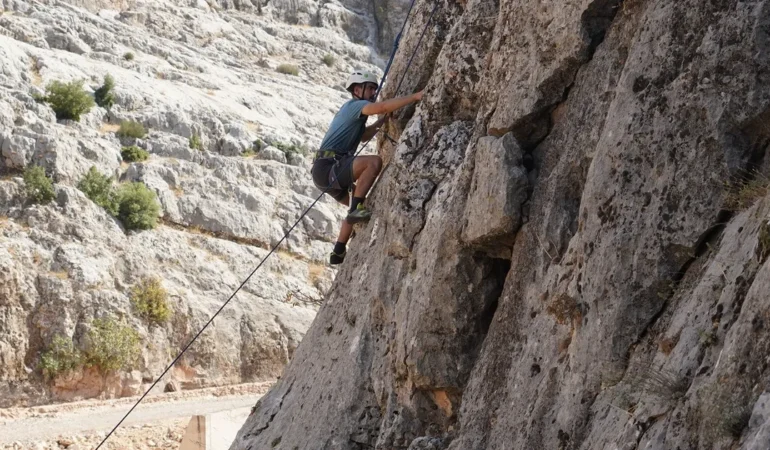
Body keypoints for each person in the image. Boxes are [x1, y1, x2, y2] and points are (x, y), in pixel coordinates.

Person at [312, 70, 423, 265]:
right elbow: (380, 107)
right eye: (370, 88)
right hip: (329, 166)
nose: (373, 92)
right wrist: (415, 97)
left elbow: (363, 136)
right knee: (374, 162)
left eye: (374, 88)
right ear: (357, 89)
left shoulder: (353, 113)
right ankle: (356, 209)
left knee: (360, 203)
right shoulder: (356, 106)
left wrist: (382, 123)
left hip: (325, 171)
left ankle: (338, 251)